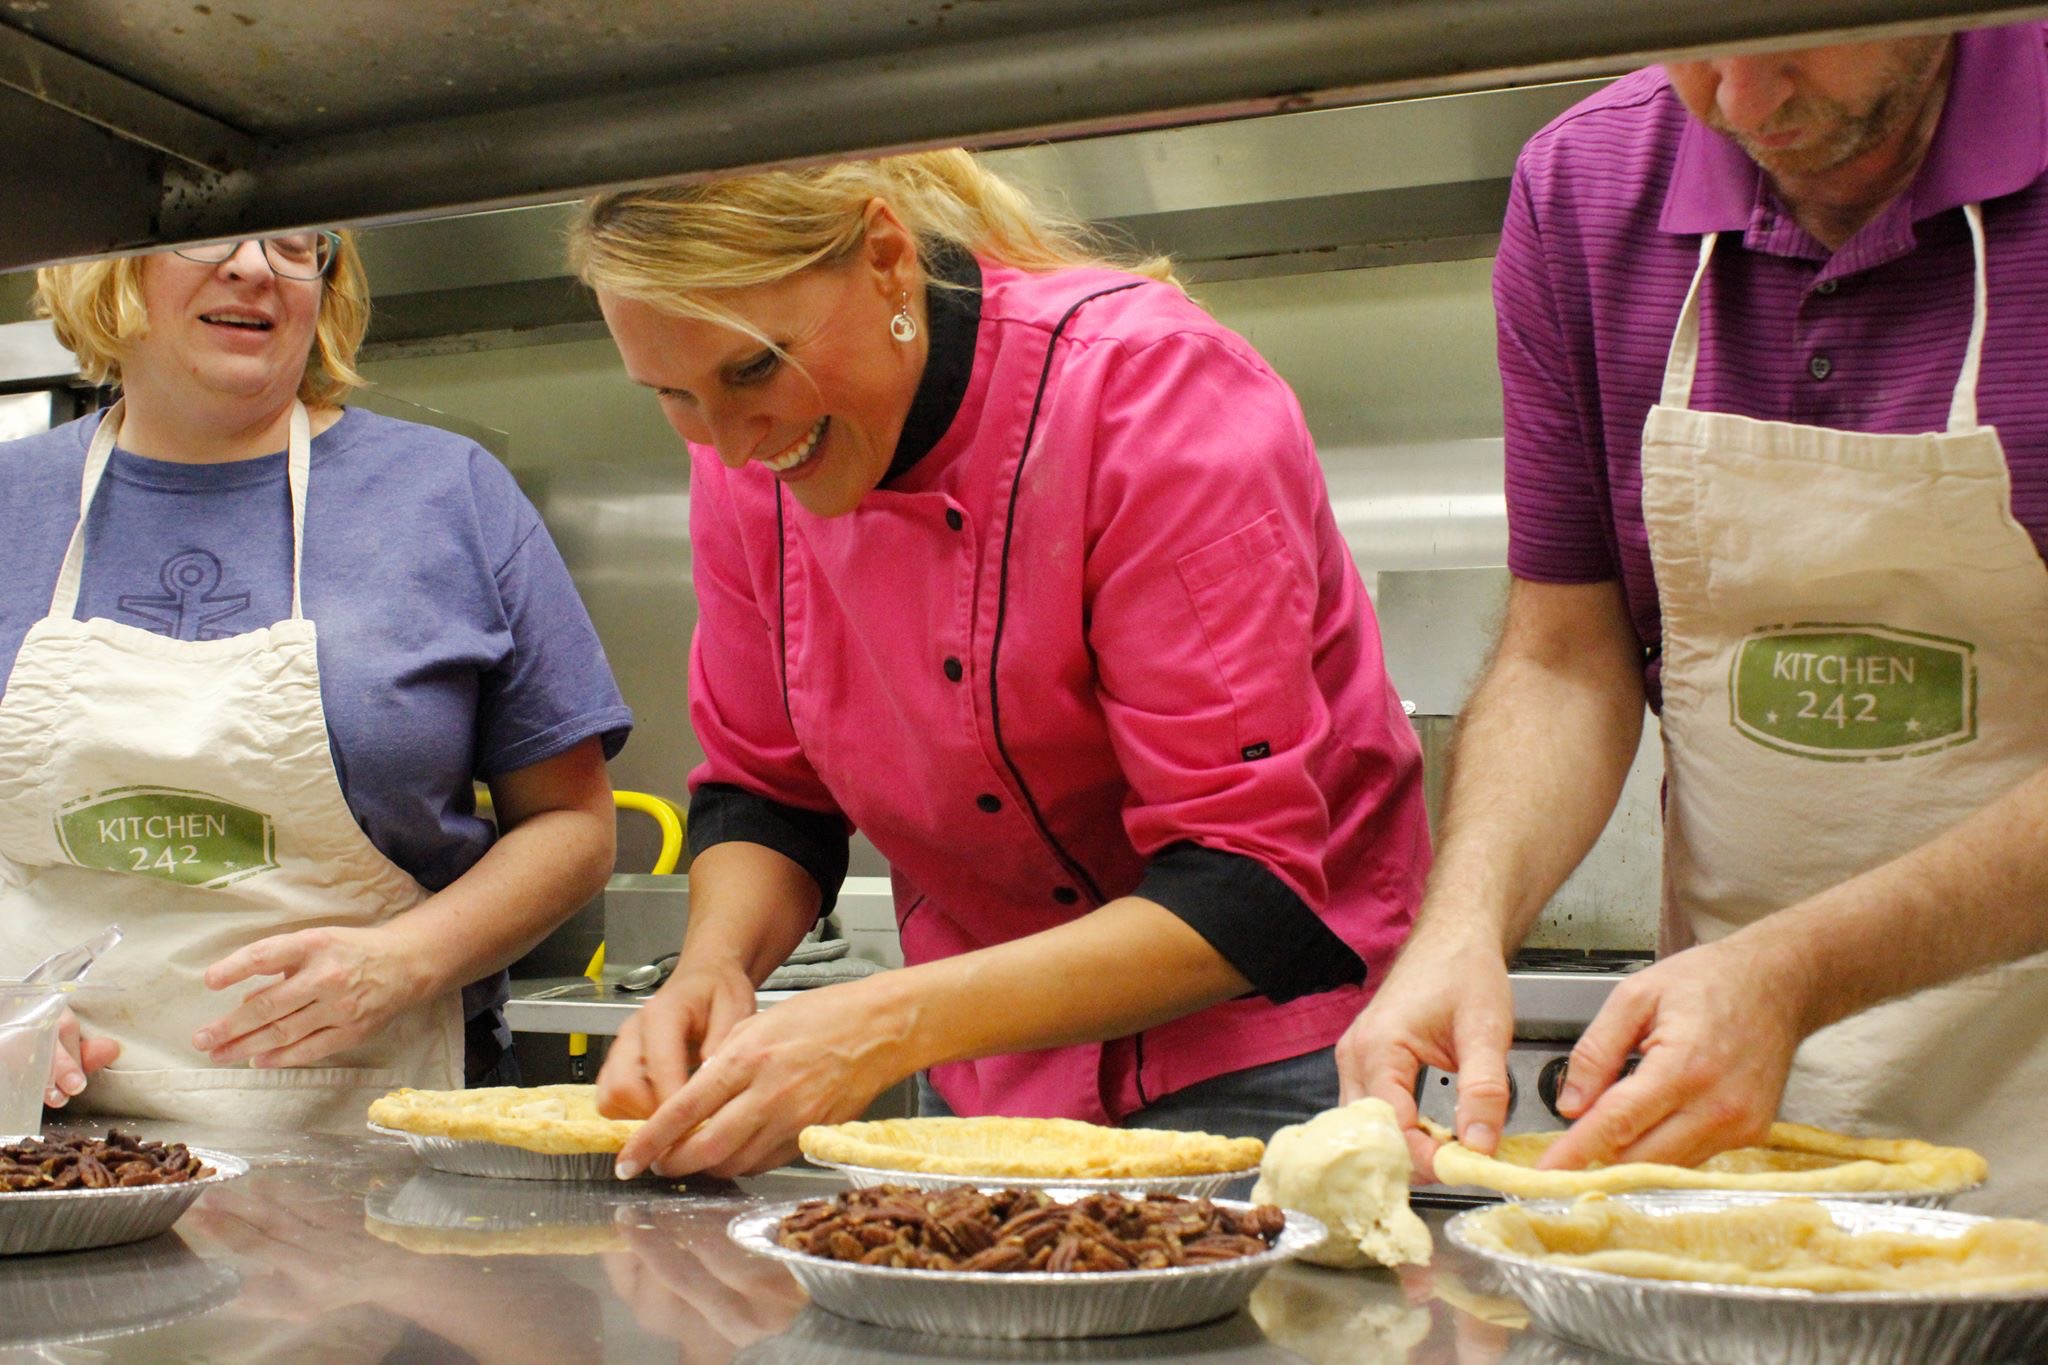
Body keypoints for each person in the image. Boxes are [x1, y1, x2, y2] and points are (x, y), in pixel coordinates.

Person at [572, 150, 1430, 1179]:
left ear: (885, 257)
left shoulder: (1142, 393)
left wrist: (887, 1023)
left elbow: (1246, 884)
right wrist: (711, 968)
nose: (729, 441)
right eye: (672, 393)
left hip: (1268, 1070)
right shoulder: (745, 454)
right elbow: (768, 796)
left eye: (753, 368)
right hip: (981, 1066)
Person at [1336, 24, 2048, 1215]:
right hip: (1728, 1115)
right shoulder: (1586, 190)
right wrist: (1461, 926)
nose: (1736, 99)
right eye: (1685, 41)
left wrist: (1793, 970)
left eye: (1794, 36)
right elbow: (1565, 657)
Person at [0, 229, 633, 1131]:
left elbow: (574, 825)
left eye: (296, 242)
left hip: (372, 1137)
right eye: (208, 235)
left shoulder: (447, 495)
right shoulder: (8, 500)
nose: (256, 266)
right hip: (45, 1138)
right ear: (105, 255)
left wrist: (406, 960)